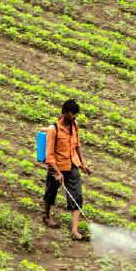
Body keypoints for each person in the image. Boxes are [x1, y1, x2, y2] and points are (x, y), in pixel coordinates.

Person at [42, 99, 91, 241]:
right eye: (71, 114)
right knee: (51, 193)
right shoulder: (54, 130)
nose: (74, 116)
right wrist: (57, 172)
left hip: (73, 166)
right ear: (64, 112)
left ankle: (74, 231)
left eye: (75, 114)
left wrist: (83, 163)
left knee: (77, 197)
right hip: (57, 167)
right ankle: (46, 216)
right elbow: (49, 155)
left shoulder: (75, 125)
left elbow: (78, 146)